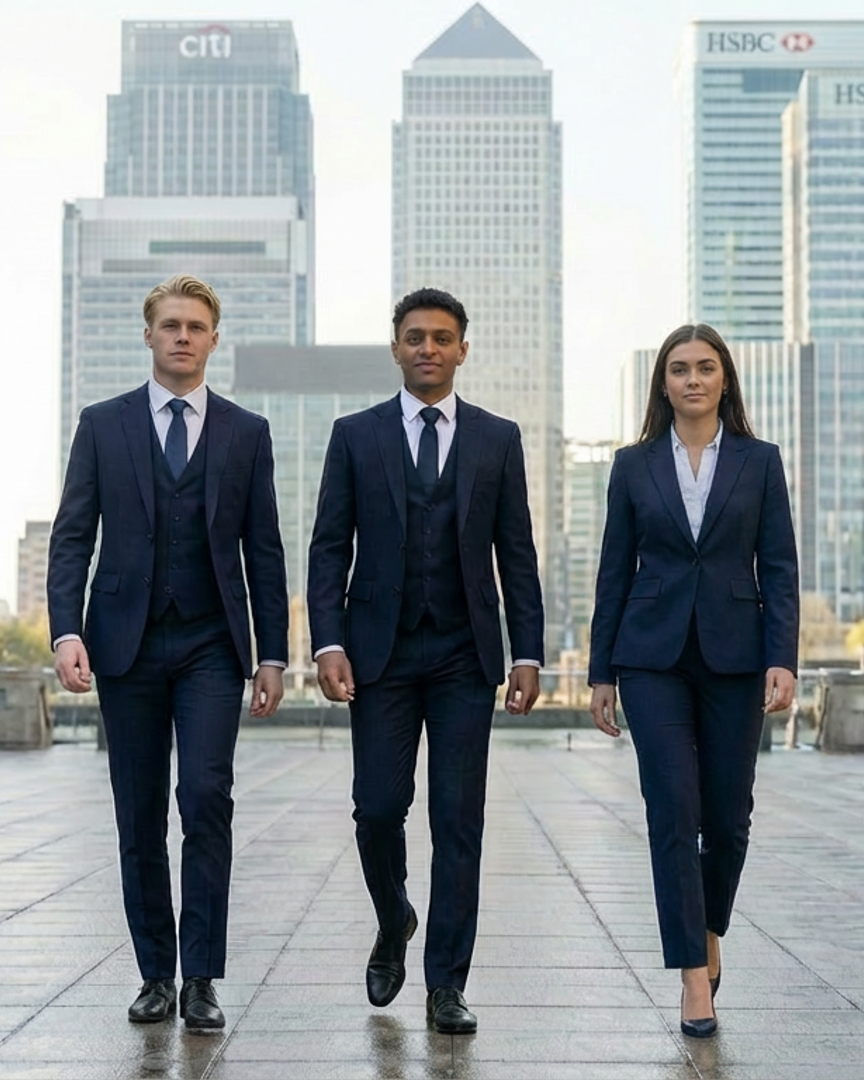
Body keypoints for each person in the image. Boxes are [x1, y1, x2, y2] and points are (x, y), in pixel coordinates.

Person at [47, 275, 289, 1029]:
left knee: (206, 800)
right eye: (170, 325)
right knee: (139, 811)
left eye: (196, 326)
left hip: (212, 643)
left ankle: (201, 978)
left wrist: (273, 653)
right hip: (125, 643)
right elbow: (72, 536)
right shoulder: (102, 424)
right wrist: (66, 631)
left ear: (214, 339)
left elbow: (265, 550)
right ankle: (156, 972)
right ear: (148, 335)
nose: (183, 336)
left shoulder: (247, 432)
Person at [307, 287, 544, 1034]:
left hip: (463, 654)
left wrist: (529, 649)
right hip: (379, 652)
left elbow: (518, 552)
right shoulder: (354, 434)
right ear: (396, 346)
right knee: (377, 808)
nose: (428, 348)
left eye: (442, 338)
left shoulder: (498, 439)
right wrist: (329, 639)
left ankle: (447, 983)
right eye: (415, 337)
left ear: (463, 349)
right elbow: (326, 547)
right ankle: (393, 915)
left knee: (458, 819)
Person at [589, 324, 798, 1039]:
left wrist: (783, 657)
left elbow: (780, 567)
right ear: (664, 384)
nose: (693, 380)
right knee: (672, 809)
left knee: (728, 818)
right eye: (678, 370)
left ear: (725, 380)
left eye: (705, 368)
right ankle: (690, 978)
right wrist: (599, 674)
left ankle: (709, 928)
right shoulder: (633, 464)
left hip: (738, 656)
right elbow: (613, 572)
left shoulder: (761, 462)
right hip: (651, 657)